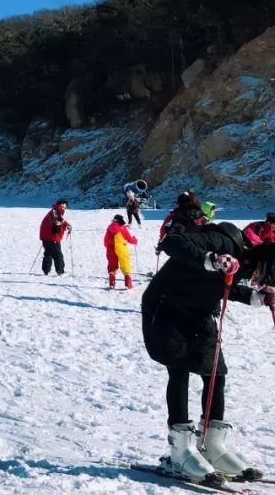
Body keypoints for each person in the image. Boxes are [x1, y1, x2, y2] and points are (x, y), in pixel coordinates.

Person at [142, 203, 275, 482]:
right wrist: (212, 258)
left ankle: (213, 446)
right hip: (166, 309)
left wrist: (253, 297)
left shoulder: (243, 263)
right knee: (178, 370)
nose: (256, 281)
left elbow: (221, 283)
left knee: (216, 372)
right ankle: (180, 452)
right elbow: (172, 242)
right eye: (260, 278)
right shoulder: (219, 241)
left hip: (200, 313)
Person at [104, 214, 138, 289]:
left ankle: (112, 283)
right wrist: (135, 240)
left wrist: (108, 247)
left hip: (111, 249)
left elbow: (106, 240)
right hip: (122, 248)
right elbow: (130, 239)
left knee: (112, 265)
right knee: (125, 263)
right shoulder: (123, 228)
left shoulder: (110, 227)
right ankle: (128, 284)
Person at [38, 199, 71, 276]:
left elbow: (61, 220)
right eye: (64, 205)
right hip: (52, 237)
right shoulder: (57, 211)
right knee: (57, 254)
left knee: (48, 253)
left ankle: (46, 270)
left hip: (46, 237)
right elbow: (58, 221)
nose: (65, 208)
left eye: (65, 206)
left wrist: (67, 225)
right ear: (61, 205)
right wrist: (65, 225)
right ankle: (60, 271)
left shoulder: (54, 211)